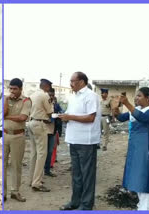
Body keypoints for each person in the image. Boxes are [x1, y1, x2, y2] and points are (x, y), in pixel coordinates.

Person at [59, 72, 101, 210]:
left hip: (86, 141)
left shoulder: (91, 96)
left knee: (87, 174)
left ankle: (86, 204)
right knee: (76, 174)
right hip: (74, 139)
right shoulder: (73, 97)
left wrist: (69, 116)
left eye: (73, 81)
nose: (70, 84)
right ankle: (75, 201)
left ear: (81, 82)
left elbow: (90, 117)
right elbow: (72, 115)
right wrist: (65, 116)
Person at [113, 87, 149, 210]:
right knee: (136, 177)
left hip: (145, 150)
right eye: (136, 96)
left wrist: (127, 103)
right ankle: (141, 206)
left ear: (148, 98)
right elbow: (121, 118)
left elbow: (143, 118)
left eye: (139, 96)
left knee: (144, 178)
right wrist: (115, 107)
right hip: (135, 149)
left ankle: (146, 208)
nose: (136, 98)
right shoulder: (137, 109)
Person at [4, 78, 31, 202]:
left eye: (15, 89)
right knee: (3, 164)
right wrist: (5, 100)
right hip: (5, 135)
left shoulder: (26, 101)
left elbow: (22, 117)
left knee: (16, 165)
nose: (12, 91)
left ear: (20, 89)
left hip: (18, 136)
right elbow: (3, 113)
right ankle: (3, 193)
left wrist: (8, 116)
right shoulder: (6, 99)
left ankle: (15, 191)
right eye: (11, 88)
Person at [28, 78, 53, 192]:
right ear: (47, 86)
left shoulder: (32, 95)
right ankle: (37, 183)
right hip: (40, 124)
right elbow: (49, 112)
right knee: (42, 154)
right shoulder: (45, 96)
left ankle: (31, 179)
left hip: (31, 123)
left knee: (34, 153)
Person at [44, 88, 57, 177]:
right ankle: (41, 170)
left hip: (52, 130)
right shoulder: (44, 103)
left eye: (52, 95)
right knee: (42, 152)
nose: (51, 97)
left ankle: (47, 170)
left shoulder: (55, 104)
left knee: (49, 151)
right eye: (50, 95)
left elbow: (60, 112)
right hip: (44, 130)